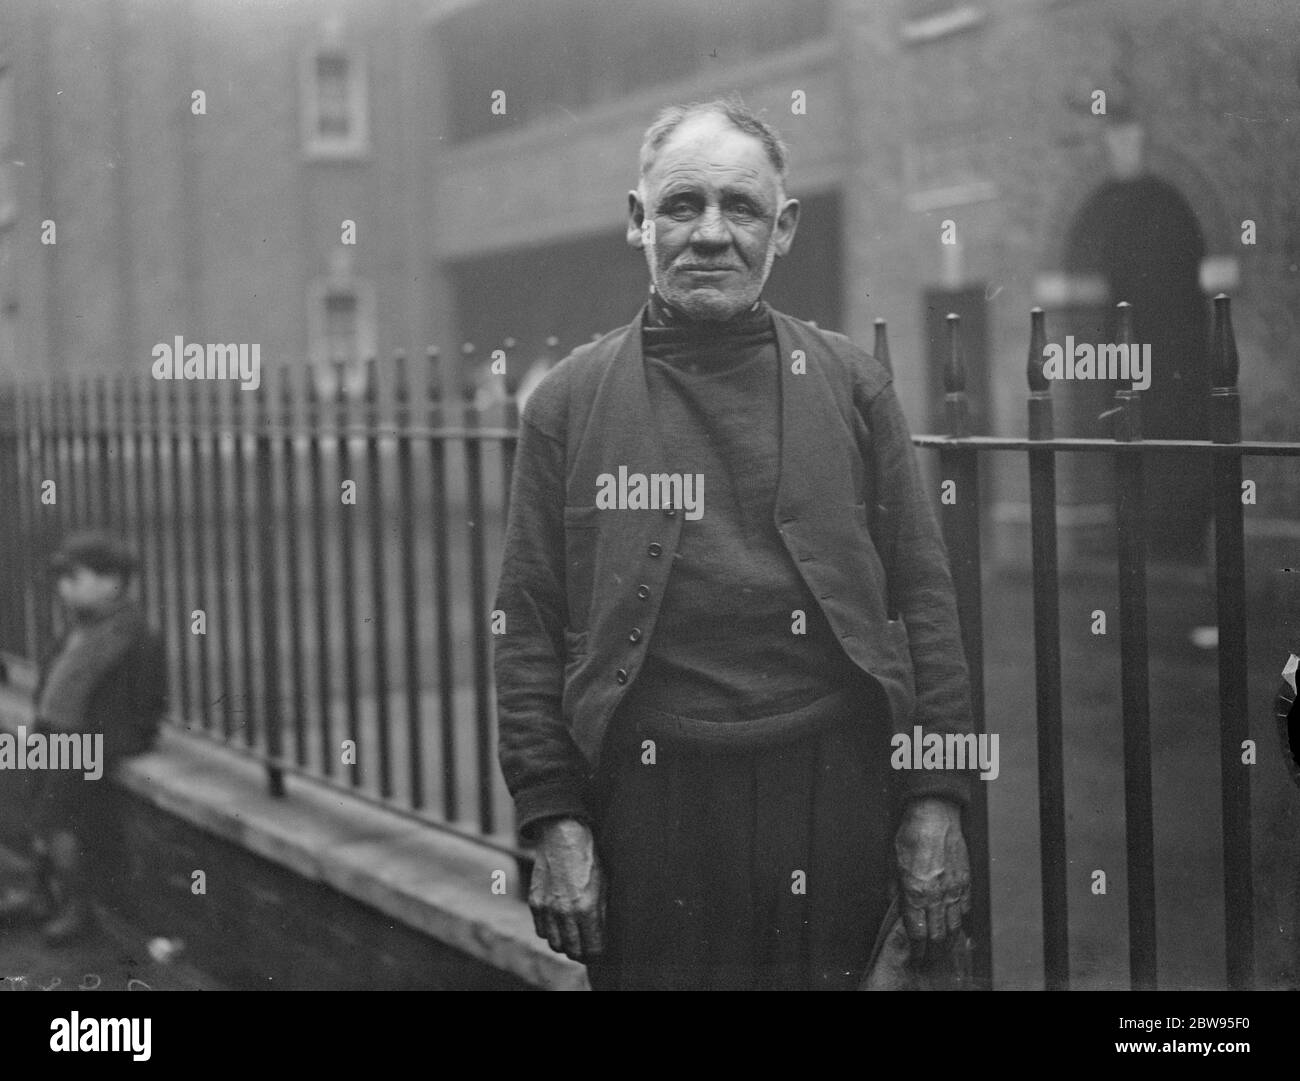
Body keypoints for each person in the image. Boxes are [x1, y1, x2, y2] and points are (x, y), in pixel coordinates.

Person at [493, 97, 975, 990]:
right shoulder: (565, 404)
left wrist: (937, 800)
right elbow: (525, 627)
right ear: (638, 219)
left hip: (837, 796)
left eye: (741, 207)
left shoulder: (853, 385)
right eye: (682, 204)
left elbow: (928, 603)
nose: (711, 233)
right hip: (652, 808)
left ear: (782, 228)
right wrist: (553, 820)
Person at [0, 532, 166, 944]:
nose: (65, 586)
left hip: (97, 741)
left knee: (58, 817)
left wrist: (99, 743)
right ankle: (41, 893)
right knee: (33, 796)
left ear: (112, 582)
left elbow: (146, 708)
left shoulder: (134, 636)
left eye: (76, 576)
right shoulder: (79, 630)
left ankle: (78, 907)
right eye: (63, 578)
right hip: (58, 732)